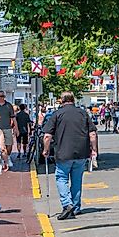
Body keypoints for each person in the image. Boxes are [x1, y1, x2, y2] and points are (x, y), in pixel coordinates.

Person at [43, 91, 97, 220]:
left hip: (63, 152)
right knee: (77, 180)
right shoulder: (83, 113)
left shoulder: (57, 114)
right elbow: (93, 134)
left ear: (61, 100)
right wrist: (93, 149)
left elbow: (47, 136)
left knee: (61, 178)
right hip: (81, 152)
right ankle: (76, 207)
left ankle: (67, 204)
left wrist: (46, 150)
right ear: (73, 99)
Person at [0, 91, 15, 157]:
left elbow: (13, 117)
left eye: (2, 96)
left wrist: (16, 128)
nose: (0, 98)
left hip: (7, 127)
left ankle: (8, 156)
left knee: (9, 143)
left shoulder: (9, 105)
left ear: (4, 97)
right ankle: (0, 157)